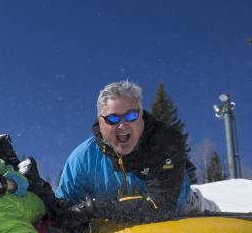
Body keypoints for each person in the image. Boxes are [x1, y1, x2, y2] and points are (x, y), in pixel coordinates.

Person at [50, 80, 217, 223]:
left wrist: (95, 208)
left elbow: (161, 207)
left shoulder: (164, 143)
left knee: (188, 206)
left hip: (179, 206)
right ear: (100, 123)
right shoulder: (82, 159)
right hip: (112, 213)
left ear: (141, 117)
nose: (122, 125)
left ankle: (201, 202)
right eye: (113, 119)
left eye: (131, 116)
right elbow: (62, 206)